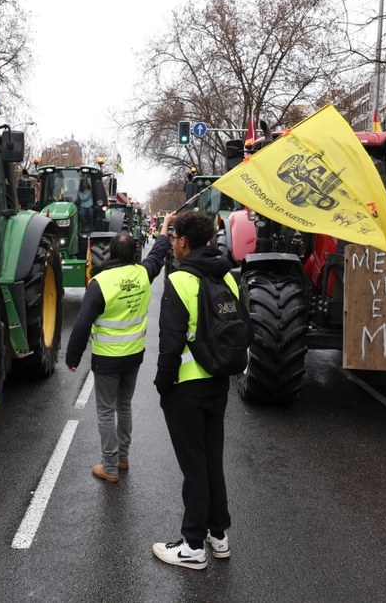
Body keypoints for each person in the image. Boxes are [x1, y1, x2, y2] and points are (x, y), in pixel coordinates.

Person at [151, 210, 242, 571]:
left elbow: (170, 345)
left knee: (194, 469)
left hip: (185, 389)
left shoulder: (179, 281)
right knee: (211, 462)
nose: (173, 244)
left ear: (184, 242)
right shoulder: (228, 276)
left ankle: (192, 546)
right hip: (218, 384)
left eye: (174, 238)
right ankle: (218, 536)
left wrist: (163, 385)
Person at [65, 212, 175, 483]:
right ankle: (123, 459)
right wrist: (165, 225)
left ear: (111, 253)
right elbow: (158, 252)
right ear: (134, 254)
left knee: (105, 410)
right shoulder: (143, 273)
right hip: (134, 356)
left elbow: (82, 324)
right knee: (124, 405)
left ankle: (110, 467)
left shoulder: (101, 283)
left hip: (107, 360)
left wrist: (73, 357)